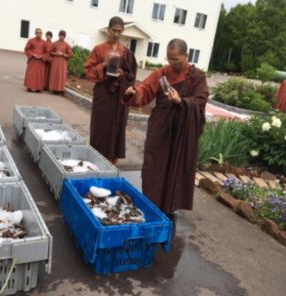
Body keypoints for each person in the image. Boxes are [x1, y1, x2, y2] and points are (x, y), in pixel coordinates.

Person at [123, 39, 209, 217]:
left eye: (176, 59)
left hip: (182, 132)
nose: (172, 63)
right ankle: (152, 203)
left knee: (174, 168)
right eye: (169, 59)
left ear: (186, 56)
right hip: (161, 127)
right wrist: (135, 92)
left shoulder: (197, 77)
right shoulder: (163, 73)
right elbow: (146, 88)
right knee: (154, 165)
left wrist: (181, 101)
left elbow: (200, 101)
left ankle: (169, 206)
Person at [84, 16, 137, 165]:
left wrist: (122, 76)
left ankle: (112, 162)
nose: (116, 34)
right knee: (100, 126)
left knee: (117, 127)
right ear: (108, 30)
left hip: (120, 96)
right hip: (103, 95)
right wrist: (104, 64)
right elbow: (88, 73)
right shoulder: (98, 49)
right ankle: (95, 160)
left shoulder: (126, 52)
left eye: (120, 31)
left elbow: (132, 76)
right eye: (114, 30)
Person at [24, 28, 47, 92]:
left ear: (42, 34)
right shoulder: (31, 41)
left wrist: (42, 56)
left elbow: (47, 52)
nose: (39, 34)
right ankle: (29, 87)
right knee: (31, 74)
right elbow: (27, 49)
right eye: (37, 33)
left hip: (40, 61)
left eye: (40, 33)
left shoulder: (44, 42)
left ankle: (38, 88)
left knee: (39, 75)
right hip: (32, 60)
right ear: (35, 33)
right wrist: (33, 55)